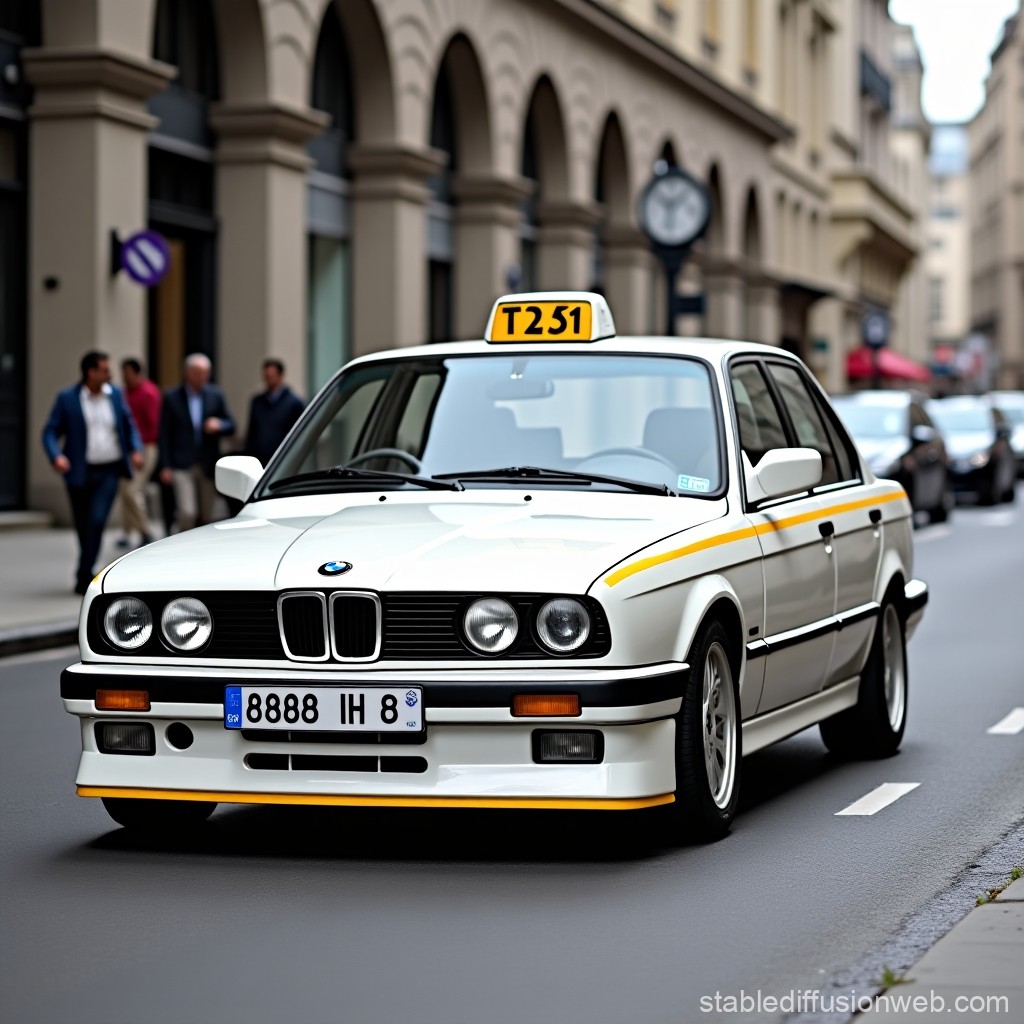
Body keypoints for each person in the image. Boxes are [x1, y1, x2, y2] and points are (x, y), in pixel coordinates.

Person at [42, 351, 144, 594]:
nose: (110, 374)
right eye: (105, 370)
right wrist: (56, 455)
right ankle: (86, 566)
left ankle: (83, 572)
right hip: (79, 471)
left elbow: (129, 426)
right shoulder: (68, 398)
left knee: (97, 520)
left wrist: (135, 449)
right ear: (91, 372)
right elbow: (50, 431)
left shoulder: (116, 396)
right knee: (83, 524)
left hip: (109, 470)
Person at [158, 353, 235, 532]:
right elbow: (164, 434)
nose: (201, 377)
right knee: (187, 512)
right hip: (181, 463)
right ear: (187, 373)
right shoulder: (172, 397)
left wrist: (219, 424)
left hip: (207, 463)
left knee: (208, 516)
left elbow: (231, 424)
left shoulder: (215, 395)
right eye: (197, 373)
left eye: (205, 373)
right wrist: (165, 465)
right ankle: (181, 546)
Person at [117, 358, 162, 547]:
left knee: (132, 490)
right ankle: (128, 532)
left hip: (145, 447)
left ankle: (145, 531)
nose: (124, 378)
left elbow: (154, 425)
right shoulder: (124, 393)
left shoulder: (149, 393)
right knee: (126, 490)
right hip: (127, 449)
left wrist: (140, 450)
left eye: (127, 374)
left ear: (137, 373)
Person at [244, 358, 305, 466]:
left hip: (283, 461)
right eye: (266, 376)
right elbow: (251, 433)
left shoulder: (294, 403)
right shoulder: (257, 402)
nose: (268, 380)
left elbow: (299, 436)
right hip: (259, 460)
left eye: (271, 376)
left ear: (280, 376)